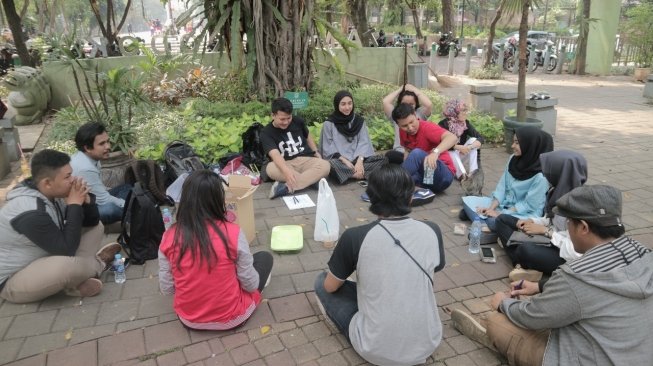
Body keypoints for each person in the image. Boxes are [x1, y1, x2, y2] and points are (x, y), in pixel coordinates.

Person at [451, 185, 653, 366]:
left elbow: (532, 316)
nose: (566, 229)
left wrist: (503, 303)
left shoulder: (576, 277)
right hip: (639, 353)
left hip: (589, 357)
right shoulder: (643, 253)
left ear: (583, 227)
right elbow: (591, 294)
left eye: (568, 224)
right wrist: (539, 287)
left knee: (497, 321)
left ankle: (495, 338)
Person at [314, 164, 445, 366]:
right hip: (428, 341)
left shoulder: (354, 236)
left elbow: (330, 287)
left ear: (371, 198)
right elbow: (433, 269)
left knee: (322, 281)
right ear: (411, 197)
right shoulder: (432, 230)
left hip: (374, 348)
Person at [0, 149, 121, 304]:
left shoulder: (49, 192)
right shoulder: (29, 212)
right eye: (67, 177)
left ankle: (74, 281)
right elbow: (66, 249)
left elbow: (90, 222)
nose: (73, 180)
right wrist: (74, 205)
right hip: (13, 279)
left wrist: (86, 202)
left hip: (46, 256)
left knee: (96, 227)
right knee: (65, 267)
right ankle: (98, 264)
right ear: (47, 183)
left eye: (71, 174)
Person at [158, 170, 274, 330]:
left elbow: (167, 288)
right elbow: (251, 284)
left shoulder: (168, 236)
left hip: (189, 320)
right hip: (232, 318)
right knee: (264, 258)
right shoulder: (233, 232)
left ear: (185, 200)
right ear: (218, 200)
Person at [495, 150, 587, 282]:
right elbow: (550, 219)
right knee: (502, 220)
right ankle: (527, 267)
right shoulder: (557, 191)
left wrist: (547, 232)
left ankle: (525, 264)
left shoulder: (580, 204)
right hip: (550, 239)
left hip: (565, 256)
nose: (545, 175)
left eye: (549, 172)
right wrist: (532, 220)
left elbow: (576, 252)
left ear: (560, 173)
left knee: (525, 249)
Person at [460, 126, 553, 231]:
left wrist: (500, 214)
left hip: (524, 213)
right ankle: (488, 225)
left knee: (496, 220)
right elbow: (502, 187)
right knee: (467, 201)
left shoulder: (541, 177)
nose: (512, 146)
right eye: (513, 142)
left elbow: (528, 205)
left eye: (517, 143)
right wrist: (491, 208)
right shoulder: (513, 159)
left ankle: (490, 225)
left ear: (530, 145)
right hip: (504, 205)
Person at [261, 97, 330, 199]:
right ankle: (311, 180)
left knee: (325, 165)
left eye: (289, 118)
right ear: (273, 115)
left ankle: (286, 187)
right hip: (284, 163)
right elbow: (275, 154)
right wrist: (286, 171)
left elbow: (307, 136)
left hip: (304, 159)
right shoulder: (266, 132)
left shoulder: (298, 121)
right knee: (270, 169)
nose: (286, 122)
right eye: (282, 119)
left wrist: (316, 152)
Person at [319, 90, 386, 184]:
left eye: (350, 103)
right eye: (343, 104)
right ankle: (361, 174)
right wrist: (345, 161)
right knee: (330, 165)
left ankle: (349, 175)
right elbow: (328, 147)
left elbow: (364, 142)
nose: (347, 107)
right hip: (340, 161)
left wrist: (359, 161)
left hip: (359, 159)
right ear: (337, 105)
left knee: (383, 159)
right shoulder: (329, 123)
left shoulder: (359, 121)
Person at [70, 122, 131, 225]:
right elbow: (104, 200)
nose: (108, 146)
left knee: (127, 188)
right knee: (111, 209)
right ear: (87, 148)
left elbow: (99, 191)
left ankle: (132, 206)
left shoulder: (92, 157)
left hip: (94, 198)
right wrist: (126, 205)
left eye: (108, 141)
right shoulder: (85, 168)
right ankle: (133, 213)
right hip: (83, 210)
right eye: (102, 144)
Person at [393, 103, 458, 194]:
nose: (410, 128)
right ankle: (419, 191)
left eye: (411, 122)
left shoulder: (427, 128)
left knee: (417, 153)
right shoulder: (403, 131)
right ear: (398, 125)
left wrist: (435, 152)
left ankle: (391, 186)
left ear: (415, 115)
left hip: (443, 177)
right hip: (426, 178)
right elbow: (407, 150)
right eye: (404, 126)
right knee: (391, 157)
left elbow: (452, 138)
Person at [438, 99, 485, 195]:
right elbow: (440, 145)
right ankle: (463, 176)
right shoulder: (443, 124)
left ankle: (472, 173)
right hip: (447, 157)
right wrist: (458, 147)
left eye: (465, 110)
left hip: (461, 154)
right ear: (454, 112)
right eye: (462, 111)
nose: (465, 113)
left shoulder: (465, 123)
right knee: (452, 153)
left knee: (472, 140)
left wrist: (470, 147)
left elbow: (480, 138)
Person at [382, 83, 433, 152]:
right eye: (404, 103)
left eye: (411, 104)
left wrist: (415, 90)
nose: (408, 106)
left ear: (416, 104)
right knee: (390, 156)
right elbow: (385, 102)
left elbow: (429, 104)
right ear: (399, 104)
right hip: (399, 151)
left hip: (417, 153)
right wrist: (400, 89)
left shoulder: (419, 113)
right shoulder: (397, 114)